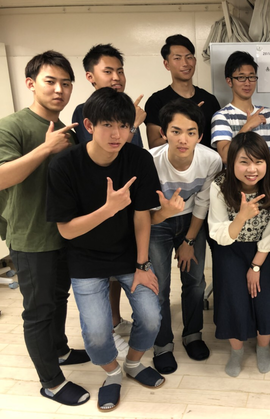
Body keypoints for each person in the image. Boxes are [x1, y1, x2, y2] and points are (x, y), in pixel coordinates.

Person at [46, 87, 164, 412]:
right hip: (85, 259)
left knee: (151, 318)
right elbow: (66, 229)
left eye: (124, 125)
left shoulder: (138, 159)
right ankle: (112, 373)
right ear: (89, 125)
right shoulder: (64, 165)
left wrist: (143, 265)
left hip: (130, 256)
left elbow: (142, 216)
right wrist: (108, 210)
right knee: (98, 334)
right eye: (108, 125)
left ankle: (134, 363)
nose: (117, 134)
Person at [0, 50, 90, 406]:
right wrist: (46, 148)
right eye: (50, 81)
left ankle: (60, 350)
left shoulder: (68, 129)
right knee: (38, 310)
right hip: (30, 237)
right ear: (31, 83)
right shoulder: (13, 126)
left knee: (58, 299)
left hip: (63, 233)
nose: (59, 90)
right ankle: (51, 382)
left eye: (66, 83)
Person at [73, 43, 144, 343]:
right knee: (102, 274)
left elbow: (135, 157)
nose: (116, 77)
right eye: (108, 71)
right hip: (101, 206)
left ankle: (115, 320)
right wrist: (134, 124)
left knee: (120, 269)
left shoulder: (128, 108)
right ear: (90, 77)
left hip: (128, 205)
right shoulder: (85, 111)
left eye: (120, 71)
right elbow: (104, 154)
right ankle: (107, 329)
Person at [149, 98, 222, 372]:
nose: (183, 139)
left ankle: (192, 334)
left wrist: (189, 241)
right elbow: (144, 212)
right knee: (158, 287)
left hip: (192, 220)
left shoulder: (210, 159)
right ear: (163, 133)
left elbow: (203, 202)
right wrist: (164, 214)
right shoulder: (150, 161)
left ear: (200, 136)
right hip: (158, 221)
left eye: (191, 132)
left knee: (195, 282)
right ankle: (162, 344)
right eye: (176, 131)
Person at [208, 132, 270, 377]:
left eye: (258, 162)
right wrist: (241, 217)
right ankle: (237, 351)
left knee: (266, 299)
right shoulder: (220, 185)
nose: (252, 169)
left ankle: (263, 348)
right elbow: (218, 232)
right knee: (234, 299)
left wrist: (256, 267)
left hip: (263, 250)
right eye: (244, 162)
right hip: (229, 247)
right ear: (232, 162)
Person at [211, 51, 270, 172]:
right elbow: (225, 157)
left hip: (266, 181)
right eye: (241, 77)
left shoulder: (269, 114)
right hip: (236, 182)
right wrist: (247, 126)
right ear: (229, 81)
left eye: (251, 77)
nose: (247, 83)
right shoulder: (221, 117)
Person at [145, 34, 220, 149]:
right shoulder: (156, 101)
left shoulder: (209, 100)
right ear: (166, 64)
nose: (185, 63)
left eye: (189, 57)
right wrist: (183, 122)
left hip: (207, 160)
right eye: (177, 58)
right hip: (172, 161)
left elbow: (219, 143)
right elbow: (154, 145)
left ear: (195, 61)